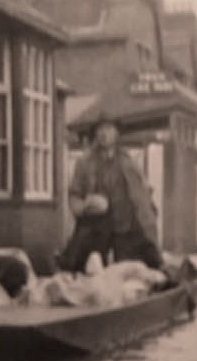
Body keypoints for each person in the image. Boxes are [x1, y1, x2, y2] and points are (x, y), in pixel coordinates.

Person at [59, 113, 162, 272]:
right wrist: (86, 205)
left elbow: (143, 192)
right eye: (100, 130)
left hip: (126, 227)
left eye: (108, 129)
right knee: (88, 269)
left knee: (134, 270)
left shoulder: (129, 162)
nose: (104, 134)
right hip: (96, 229)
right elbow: (74, 195)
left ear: (116, 133)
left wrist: (149, 213)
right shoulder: (84, 163)